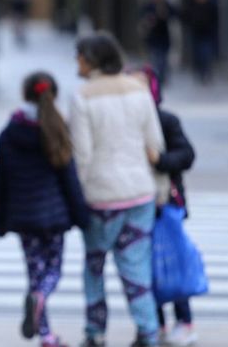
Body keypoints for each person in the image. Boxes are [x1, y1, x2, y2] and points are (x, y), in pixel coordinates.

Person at [70, 32, 165, 347]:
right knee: (136, 267)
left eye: (80, 56)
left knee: (94, 267)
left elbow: (81, 155)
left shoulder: (83, 96)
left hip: (101, 196)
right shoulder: (139, 90)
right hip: (139, 192)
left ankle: (95, 332)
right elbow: (155, 145)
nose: (77, 62)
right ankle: (148, 331)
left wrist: (77, 196)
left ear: (92, 60)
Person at [0, 72, 89, 347]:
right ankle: (42, 300)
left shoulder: (11, 131)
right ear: (53, 95)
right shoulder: (57, 126)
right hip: (55, 215)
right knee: (53, 270)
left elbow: (0, 178)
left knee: (35, 273)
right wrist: (80, 214)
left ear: (25, 94)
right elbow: (69, 176)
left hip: (23, 216)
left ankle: (46, 334)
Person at [134, 66, 197, 347]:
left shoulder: (166, 120)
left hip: (167, 202)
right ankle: (156, 323)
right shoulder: (127, 121)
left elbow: (186, 155)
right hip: (137, 201)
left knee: (173, 263)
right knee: (144, 268)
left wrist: (159, 159)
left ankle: (184, 321)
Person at [138, 0, 177, 85]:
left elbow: (175, 14)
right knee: (155, 60)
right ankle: (157, 78)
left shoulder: (165, 5)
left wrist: (165, 14)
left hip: (164, 38)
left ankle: (163, 78)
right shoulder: (148, 6)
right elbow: (142, 17)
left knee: (163, 60)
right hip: (153, 38)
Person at [182, 0, 218, 84]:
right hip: (196, 34)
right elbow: (185, 17)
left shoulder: (210, 5)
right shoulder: (192, 6)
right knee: (197, 55)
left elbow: (215, 18)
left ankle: (206, 72)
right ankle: (200, 72)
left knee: (206, 54)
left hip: (207, 34)